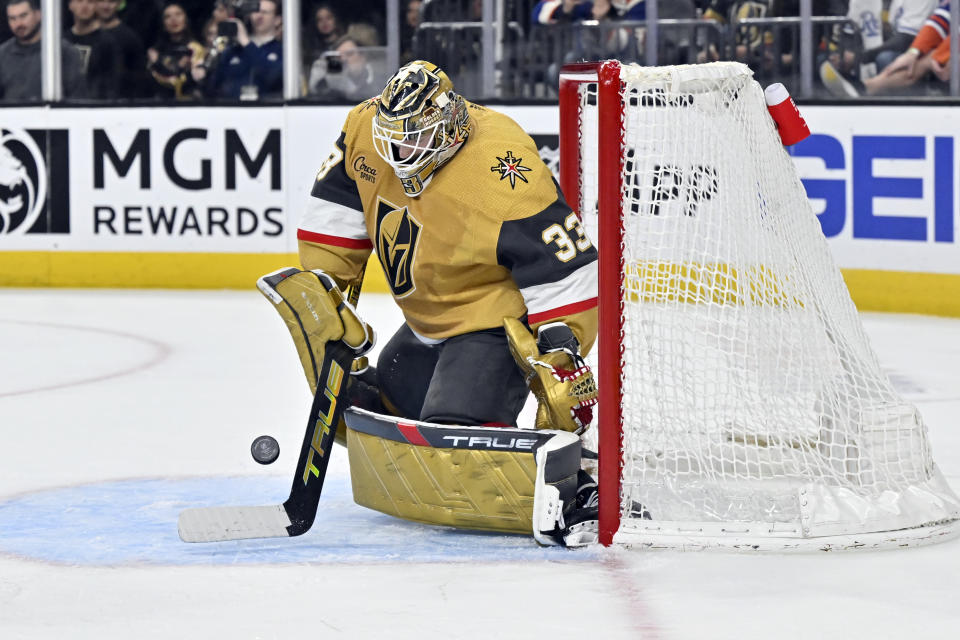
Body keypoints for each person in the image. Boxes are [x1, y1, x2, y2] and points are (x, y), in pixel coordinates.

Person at [288, 59, 601, 538]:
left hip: (492, 321)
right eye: (394, 137)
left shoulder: (502, 167)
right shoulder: (365, 128)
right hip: (425, 320)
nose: (399, 150)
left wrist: (561, 345)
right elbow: (338, 202)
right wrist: (327, 285)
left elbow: (563, 264)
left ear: (450, 125)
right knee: (375, 409)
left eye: (414, 137)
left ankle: (578, 480)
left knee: (455, 431)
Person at [0, 0, 85, 101]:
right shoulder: (2, 54)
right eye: (12, 18)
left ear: (38, 14)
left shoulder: (64, 52)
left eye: (23, 16)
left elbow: (78, 100)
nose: (18, 24)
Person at [205, 0, 283, 100]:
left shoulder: (282, 50)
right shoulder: (233, 50)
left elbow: (273, 77)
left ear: (277, 19)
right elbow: (213, 87)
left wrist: (246, 42)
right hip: (232, 110)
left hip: (268, 111)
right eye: (255, 11)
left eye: (265, 12)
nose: (259, 16)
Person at [146, 1, 205, 100]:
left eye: (178, 14)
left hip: (189, 103)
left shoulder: (195, 49)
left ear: (186, 19)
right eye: (167, 16)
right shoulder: (155, 51)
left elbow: (194, 81)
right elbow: (152, 81)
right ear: (163, 24)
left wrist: (159, 63)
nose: (174, 20)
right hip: (161, 104)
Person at [66, 0, 121, 100]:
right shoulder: (63, 41)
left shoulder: (108, 42)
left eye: (90, 1)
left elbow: (112, 84)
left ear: (96, 5)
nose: (85, 6)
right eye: (79, 1)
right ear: (70, 5)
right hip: (64, 106)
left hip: (96, 106)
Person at [96, 0, 151, 99]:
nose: (106, 6)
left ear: (119, 4)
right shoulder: (84, 34)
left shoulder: (130, 38)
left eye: (111, 1)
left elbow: (139, 79)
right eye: (101, 1)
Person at [308, 34, 381, 100]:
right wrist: (318, 82)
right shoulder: (330, 85)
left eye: (349, 54)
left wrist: (348, 87)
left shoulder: (377, 83)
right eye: (339, 57)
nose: (343, 60)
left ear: (363, 57)